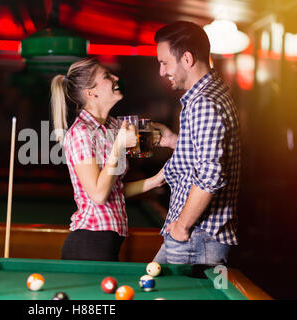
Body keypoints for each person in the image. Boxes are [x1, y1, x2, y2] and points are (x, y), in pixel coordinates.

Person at [50, 57, 165, 261]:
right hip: (89, 242)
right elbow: (98, 194)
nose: (115, 77)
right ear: (91, 93)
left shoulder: (112, 126)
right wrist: (119, 146)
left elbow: (116, 191)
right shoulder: (80, 133)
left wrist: (155, 180)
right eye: (106, 76)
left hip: (108, 241)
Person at [151, 21, 241, 266]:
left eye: (164, 62)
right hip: (197, 237)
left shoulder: (203, 103)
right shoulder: (216, 92)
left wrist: (181, 226)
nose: (162, 71)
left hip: (196, 237)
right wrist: (173, 141)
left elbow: (211, 174)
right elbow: (210, 152)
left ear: (187, 59)